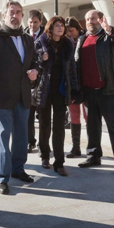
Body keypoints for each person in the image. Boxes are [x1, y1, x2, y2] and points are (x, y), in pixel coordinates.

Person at [0, 1, 38, 195]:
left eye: (18, 13)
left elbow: (35, 60)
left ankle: (18, 169)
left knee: (22, 137)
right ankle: (2, 178)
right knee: (3, 138)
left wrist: (35, 71)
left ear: (22, 16)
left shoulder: (27, 39)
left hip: (23, 97)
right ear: (4, 16)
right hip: (2, 98)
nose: (14, 16)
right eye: (11, 13)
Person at [76, 10, 114, 178]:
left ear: (100, 20)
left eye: (93, 18)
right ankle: (93, 156)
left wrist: (110, 30)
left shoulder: (108, 37)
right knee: (92, 126)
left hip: (109, 91)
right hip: (89, 92)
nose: (89, 22)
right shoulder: (82, 39)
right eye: (87, 19)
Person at [32, 17, 79, 177]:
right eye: (56, 26)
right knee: (44, 124)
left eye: (61, 26)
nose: (60, 28)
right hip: (44, 90)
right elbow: (33, 64)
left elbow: (72, 67)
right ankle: (45, 155)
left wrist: (74, 89)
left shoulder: (68, 44)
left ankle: (59, 162)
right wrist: (41, 58)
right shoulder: (41, 42)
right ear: (50, 28)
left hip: (61, 90)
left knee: (59, 126)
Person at [65, 16, 87, 158]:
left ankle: (93, 146)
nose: (69, 34)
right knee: (74, 116)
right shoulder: (66, 43)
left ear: (78, 29)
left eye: (71, 31)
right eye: (67, 32)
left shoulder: (85, 39)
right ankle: (76, 147)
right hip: (72, 86)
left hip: (85, 84)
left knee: (88, 116)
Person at [24, 9, 43, 153]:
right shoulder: (22, 35)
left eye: (35, 22)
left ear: (40, 22)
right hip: (27, 81)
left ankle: (43, 145)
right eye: (30, 22)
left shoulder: (45, 36)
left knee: (43, 116)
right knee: (28, 115)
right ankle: (30, 142)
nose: (32, 25)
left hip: (42, 81)